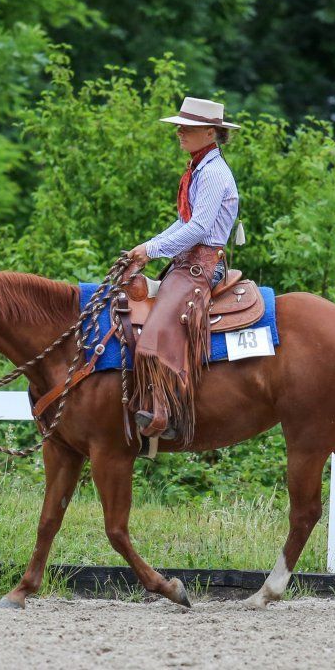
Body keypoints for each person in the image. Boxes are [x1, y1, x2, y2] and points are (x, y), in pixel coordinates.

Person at [125, 96, 241, 445]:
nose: (179, 131)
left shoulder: (213, 172)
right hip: (187, 262)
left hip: (202, 265)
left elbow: (201, 228)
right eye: (179, 126)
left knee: (158, 327)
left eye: (186, 127)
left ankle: (166, 410)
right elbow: (183, 222)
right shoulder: (200, 168)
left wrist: (151, 250)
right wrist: (145, 248)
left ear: (209, 132)